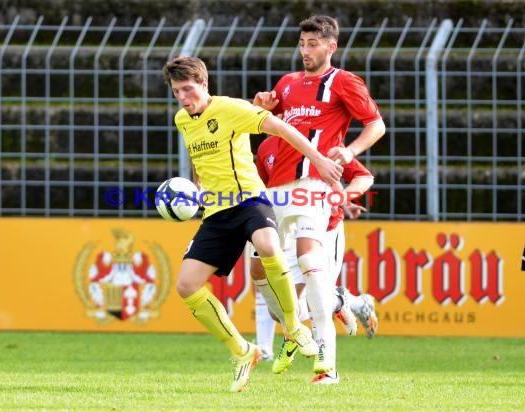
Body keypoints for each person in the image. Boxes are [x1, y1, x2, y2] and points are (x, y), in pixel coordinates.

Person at [162, 55, 343, 393]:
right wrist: (198, 188)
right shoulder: (182, 120)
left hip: (249, 199)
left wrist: (317, 158)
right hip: (217, 212)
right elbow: (199, 158)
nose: (183, 98)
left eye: (188, 89)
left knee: (269, 245)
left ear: (203, 84)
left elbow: (282, 128)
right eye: (176, 92)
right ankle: (243, 351)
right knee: (186, 286)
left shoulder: (231, 109)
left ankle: (293, 325)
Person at [252, 15, 386, 384]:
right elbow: (267, 126)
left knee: (311, 262)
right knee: (260, 272)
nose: (306, 51)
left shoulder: (343, 81)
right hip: (278, 192)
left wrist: (349, 150)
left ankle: (326, 367)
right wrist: (259, 104)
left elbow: (376, 124)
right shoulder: (288, 84)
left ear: (331, 46)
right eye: (302, 43)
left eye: (313, 44)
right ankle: (300, 329)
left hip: (313, 186)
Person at [251, 135, 379, 382]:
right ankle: (345, 301)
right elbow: (263, 191)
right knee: (281, 311)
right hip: (289, 232)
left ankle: (328, 372)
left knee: (316, 297)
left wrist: (342, 199)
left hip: (326, 230)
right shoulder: (267, 147)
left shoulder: (322, 140)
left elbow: (363, 176)